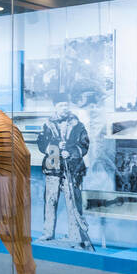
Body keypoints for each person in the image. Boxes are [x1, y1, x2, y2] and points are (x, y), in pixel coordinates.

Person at [37, 101, 93, 249]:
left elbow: (85, 144)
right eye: (61, 105)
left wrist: (71, 152)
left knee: (72, 202)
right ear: (56, 107)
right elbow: (42, 143)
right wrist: (55, 146)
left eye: (66, 105)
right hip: (52, 168)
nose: (65, 108)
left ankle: (75, 235)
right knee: (50, 201)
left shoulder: (78, 126)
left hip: (72, 170)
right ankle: (48, 233)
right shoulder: (48, 125)